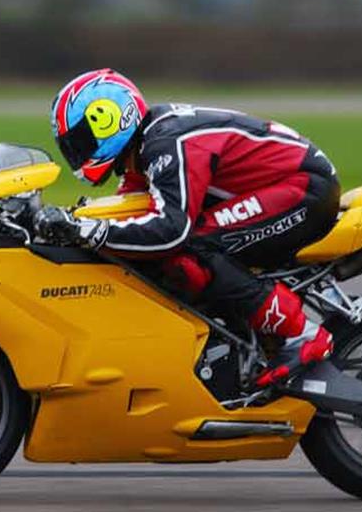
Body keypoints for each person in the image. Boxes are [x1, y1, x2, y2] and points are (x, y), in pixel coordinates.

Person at [34, 68, 340, 388]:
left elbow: (171, 231)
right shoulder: (143, 152)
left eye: (81, 140)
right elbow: (128, 215)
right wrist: (75, 224)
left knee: (193, 249)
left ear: (110, 119)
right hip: (285, 184)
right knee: (163, 257)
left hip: (304, 188)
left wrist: (91, 231)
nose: (77, 151)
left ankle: (302, 334)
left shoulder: (165, 143)